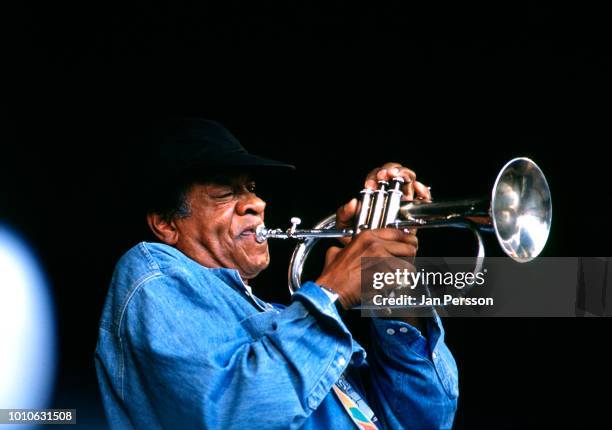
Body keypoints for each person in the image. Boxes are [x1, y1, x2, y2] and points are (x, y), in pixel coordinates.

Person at [95, 118, 458, 429]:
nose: (257, 203)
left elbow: (425, 418)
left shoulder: (284, 319)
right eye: (225, 192)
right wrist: (331, 293)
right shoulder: (149, 272)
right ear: (165, 223)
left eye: (251, 189)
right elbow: (231, 415)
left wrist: (389, 285)